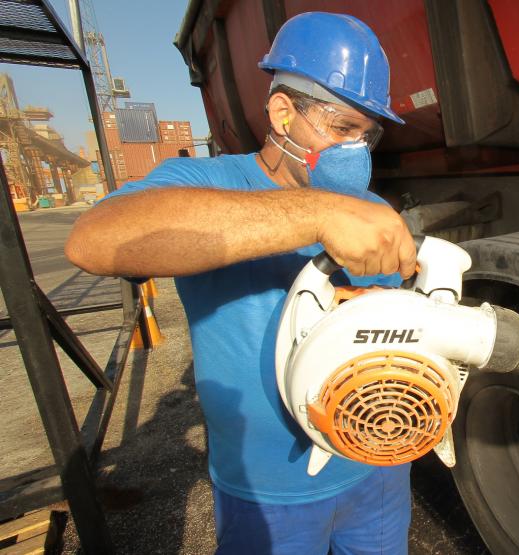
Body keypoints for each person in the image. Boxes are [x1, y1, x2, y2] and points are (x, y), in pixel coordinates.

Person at [65, 12, 416, 554]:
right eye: (342, 128)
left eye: (367, 136)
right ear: (282, 113)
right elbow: (95, 240)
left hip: (378, 467)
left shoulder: (368, 209)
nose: (356, 150)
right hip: (271, 493)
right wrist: (317, 214)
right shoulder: (211, 183)